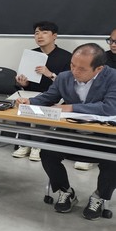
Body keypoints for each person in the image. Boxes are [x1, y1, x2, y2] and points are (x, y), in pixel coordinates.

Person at [16, 44, 116, 220]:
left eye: (82, 69)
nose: (75, 71)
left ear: (98, 69)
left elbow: (110, 107)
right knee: (47, 152)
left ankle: (99, 196)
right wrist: (29, 102)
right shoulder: (64, 77)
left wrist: (71, 107)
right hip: (71, 133)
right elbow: (48, 98)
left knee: (113, 161)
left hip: (103, 137)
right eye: (72, 65)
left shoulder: (112, 77)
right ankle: (66, 191)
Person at [12, 21, 72, 162]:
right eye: (37, 33)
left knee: (43, 107)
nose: (39, 36)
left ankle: (38, 146)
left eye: (44, 32)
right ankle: (24, 144)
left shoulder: (66, 57)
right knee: (21, 105)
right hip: (31, 93)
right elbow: (27, 83)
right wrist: (24, 83)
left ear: (54, 36)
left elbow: (67, 84)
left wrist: (50, 74)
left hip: (54, 96)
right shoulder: (31, 54)